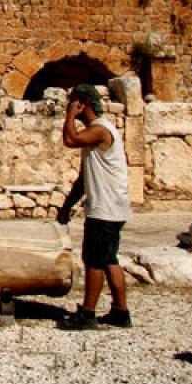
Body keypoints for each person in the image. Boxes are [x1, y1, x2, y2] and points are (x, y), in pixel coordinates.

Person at [56, 83, 133, 331]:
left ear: (82, 103)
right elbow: (83, 178)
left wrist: (70, 116)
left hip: (105, 208)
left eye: (73, 103)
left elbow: (71, 139)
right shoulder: (95, 133)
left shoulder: (100, 130)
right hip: (111, 207)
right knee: (109, 259)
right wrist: (67, 206)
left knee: (94, 260)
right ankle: (121, 312)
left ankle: (88, 313)